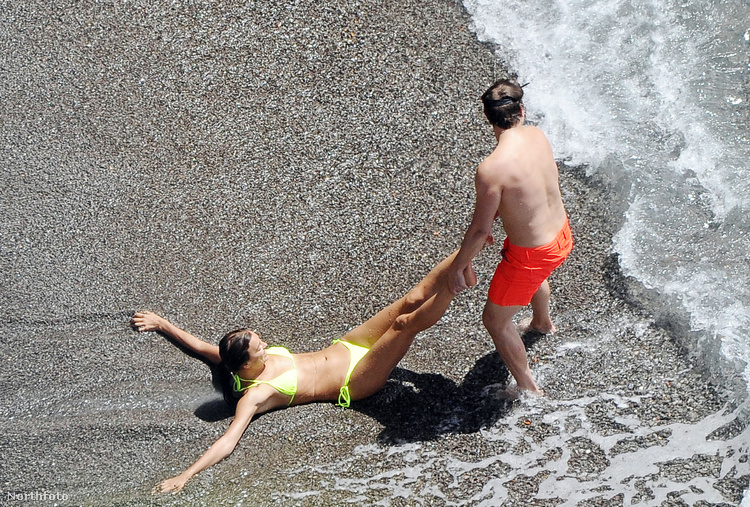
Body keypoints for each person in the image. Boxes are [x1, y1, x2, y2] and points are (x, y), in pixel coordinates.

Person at [132, 250, 468, 494]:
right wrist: (186, 475)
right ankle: (454, 286)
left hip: (346, 346)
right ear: (247, 364)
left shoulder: (231, 359)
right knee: (405, 324)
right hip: (355, 380)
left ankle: (471, 244)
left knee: (411, 298)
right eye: (259, 347)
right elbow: (228, 440)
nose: (264, 345)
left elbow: (199, 345)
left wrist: (162, 324)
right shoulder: (255, 394)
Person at [448, 78, 573, 394]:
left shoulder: (491, 169)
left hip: (533, 253)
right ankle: (542, 323)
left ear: (488, 118)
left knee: (495, 321)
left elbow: (479, 230)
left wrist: (459, 266)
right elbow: (528, 189)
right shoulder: (538, 135)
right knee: (536, 273)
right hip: (561, 235)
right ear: (522, 111)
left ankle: (528, 388)